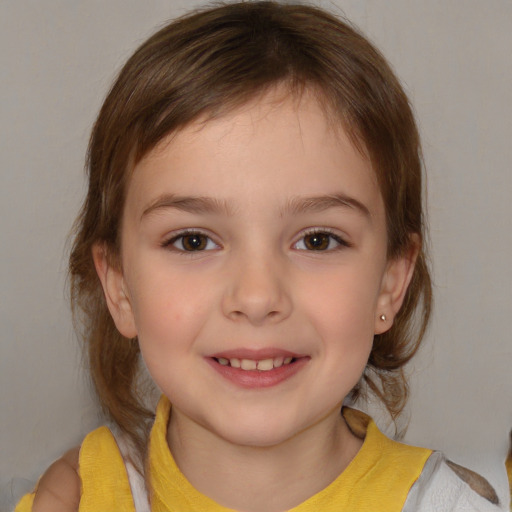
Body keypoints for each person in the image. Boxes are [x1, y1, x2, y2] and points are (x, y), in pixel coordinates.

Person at [15, 2, 504, 511]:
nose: (256, 297)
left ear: (391, 281)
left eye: (317, 240)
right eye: (193, 241)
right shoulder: (74, 499)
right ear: (118, 286)